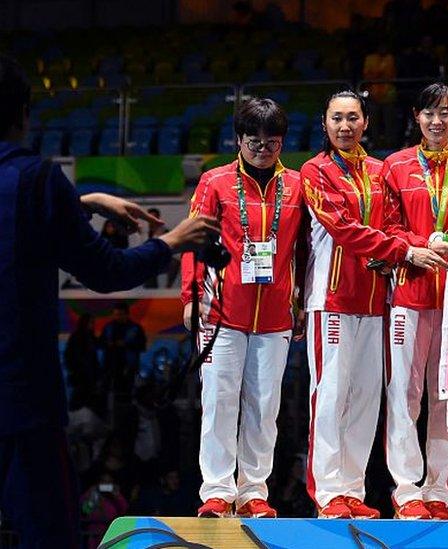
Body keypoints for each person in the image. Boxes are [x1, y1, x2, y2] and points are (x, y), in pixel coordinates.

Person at [0, 54, 216, 548]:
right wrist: (173, 240)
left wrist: (84, 202)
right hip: (21, 403)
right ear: (24, 115)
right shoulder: (36, 179)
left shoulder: (37, 189)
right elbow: (106, 271)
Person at [301, 90, 445, 519]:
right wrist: (404, 253)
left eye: (352, 118)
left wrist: (423, 242)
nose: (345, 126)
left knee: (365, 398)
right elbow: (345, 229)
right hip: (331, 299)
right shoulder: (315, 171)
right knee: (330, 395)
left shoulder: (381, 171)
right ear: (325, 124)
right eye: (336, 119)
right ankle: (327, 492)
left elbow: (393, 226)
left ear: (365, 122)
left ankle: (352, 489)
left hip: (376, 300)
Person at [180, 97, 306, 519]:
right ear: (239, 139)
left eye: (272, 140)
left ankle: (253, 491)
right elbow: (194, 241)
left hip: (275, 317)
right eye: (254, 139)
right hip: (221, 314)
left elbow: (305, 251)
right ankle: (216, 491)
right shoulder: (214, 183)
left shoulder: (298, 186)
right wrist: (190, 296)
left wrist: (302, 299)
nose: (263, 147)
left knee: (264, 406)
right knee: (218, 401)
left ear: (282, 142)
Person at [382, 82, 448, 520]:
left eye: (444, 112)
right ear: (417, 117)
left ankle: (438, 489)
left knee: (447, 395)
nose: (436, 121)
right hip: (409, 290)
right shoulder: (396, 167)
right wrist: (419, 244)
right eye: (428, 113)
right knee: (404, 392)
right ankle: (406, 490)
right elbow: (387, 226)